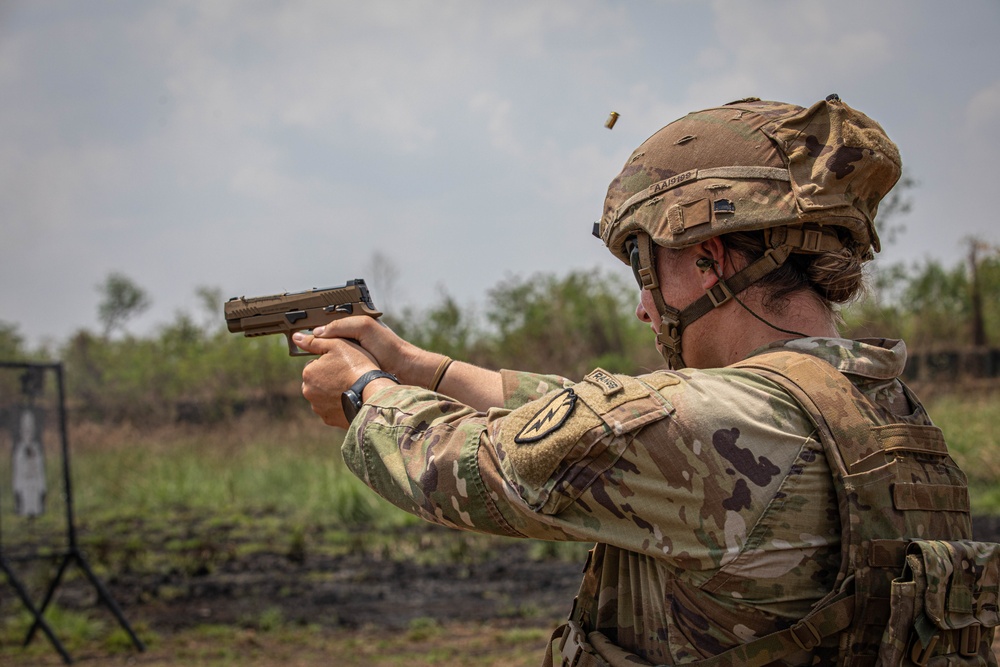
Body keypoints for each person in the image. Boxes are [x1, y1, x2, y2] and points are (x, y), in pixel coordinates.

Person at [294, 97, 983, 665]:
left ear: (708, 259)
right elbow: (599, 419)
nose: (643, 305)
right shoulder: (886, 412)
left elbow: (463, 466)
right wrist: (418, 367)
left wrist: (365, 392)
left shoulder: (711, 423)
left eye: (644, 267)